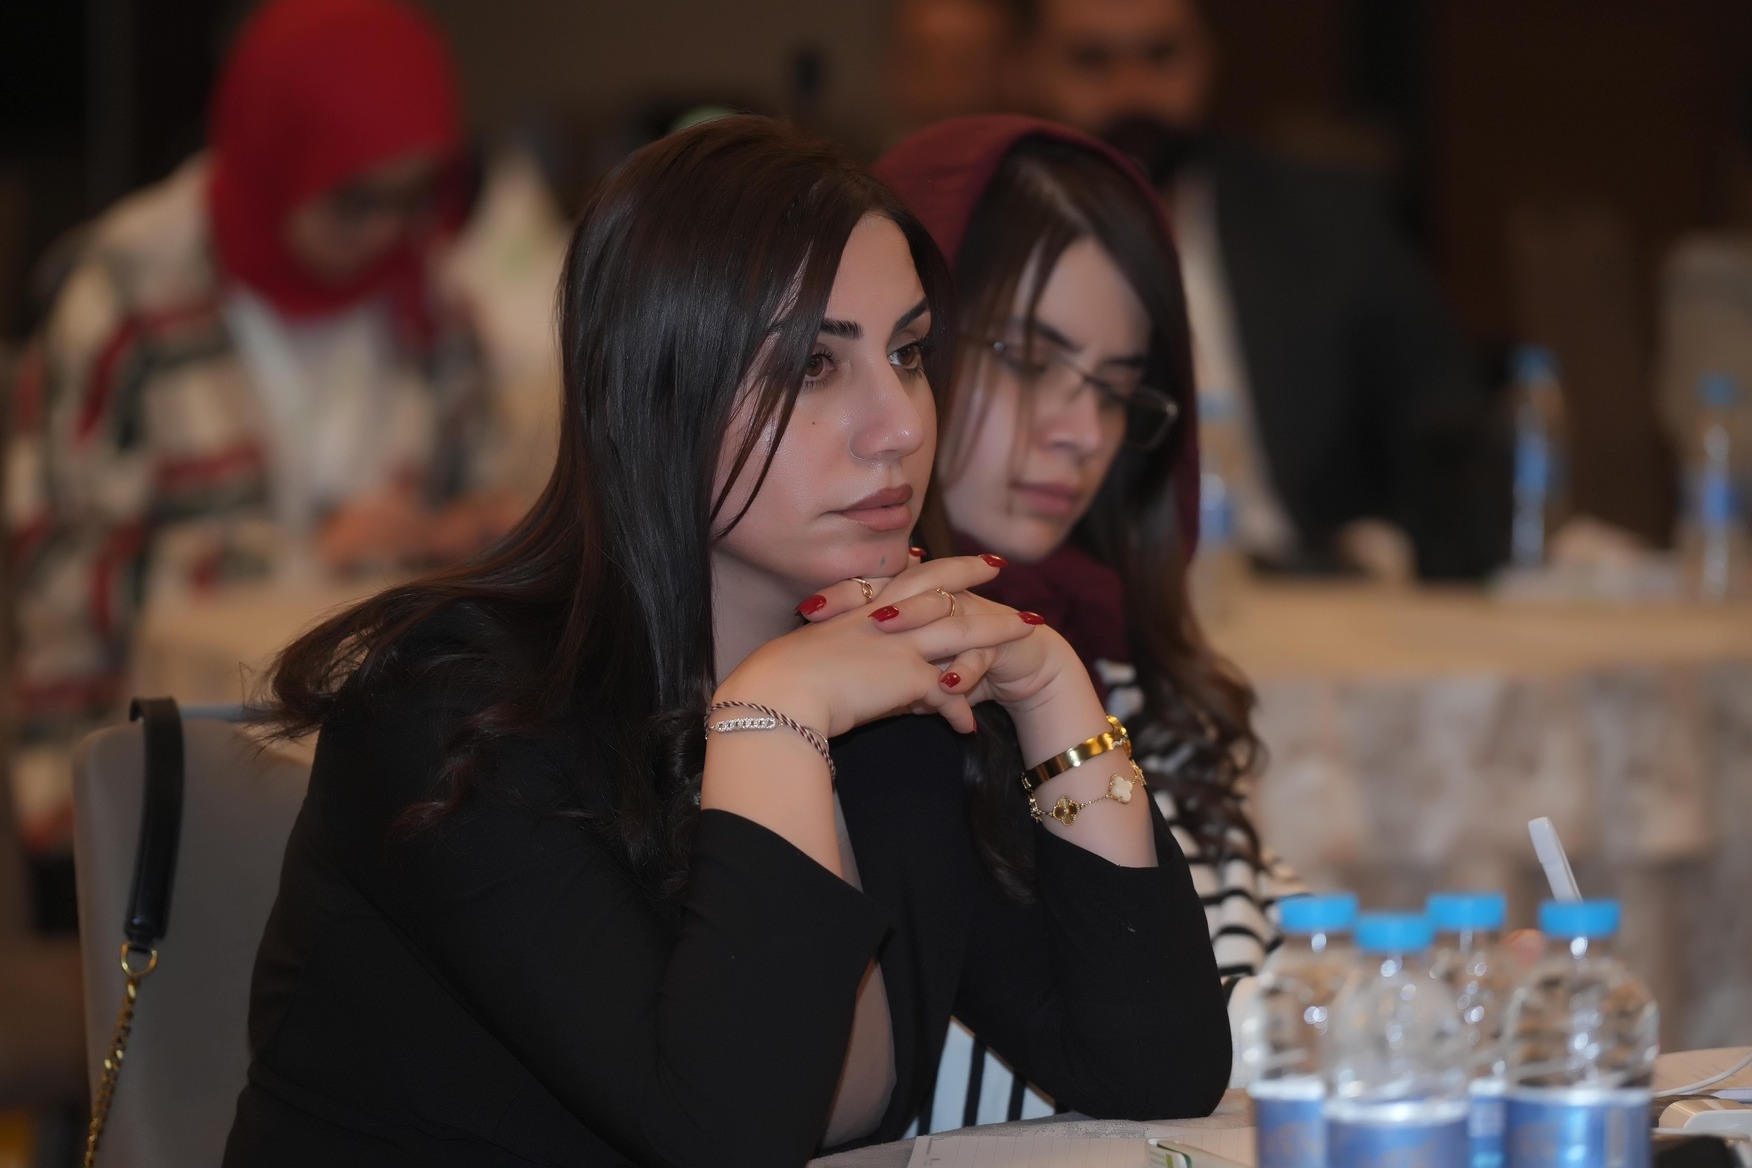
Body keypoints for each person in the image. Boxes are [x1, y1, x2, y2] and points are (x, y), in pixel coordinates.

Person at [223, 116, 1230, 1165]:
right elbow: (723, 1137)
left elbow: (1153, 1069)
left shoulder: (893, 704)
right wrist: (773, 718)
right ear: (651, 392)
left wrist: (1055, 693)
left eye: (909, 353)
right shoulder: (453, 715)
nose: (900, 425)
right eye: (813, 366)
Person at [873, 115, 1304, 1127]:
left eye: (1117, 390)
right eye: (1030, 360)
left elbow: (1250, 935)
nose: (1082, 432)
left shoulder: (1120, 649)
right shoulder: (873, 682)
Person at [7, 0, 518, 817]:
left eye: (413, 196)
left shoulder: (426, 298)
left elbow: (477, 483)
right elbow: (62, 568)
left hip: (375, 770)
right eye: (354, 198)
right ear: (279, 158)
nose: (384, 230)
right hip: (157, 770)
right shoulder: (127, 297)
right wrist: (309, 555)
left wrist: (473, 532)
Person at [1004, 0, 1502, 579]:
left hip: (1310, 587)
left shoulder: (1332, 224)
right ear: (1024, 70)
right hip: (1075, 587)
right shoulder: (991, 238)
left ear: (1207, 58)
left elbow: (1450, 439)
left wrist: (1385, 548)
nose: (1133, 89)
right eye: (1092, 60)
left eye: (1161, 56)